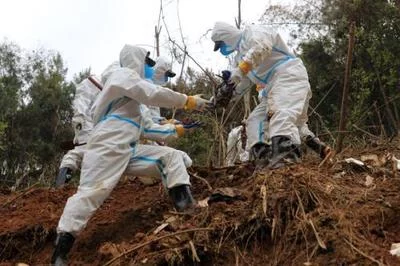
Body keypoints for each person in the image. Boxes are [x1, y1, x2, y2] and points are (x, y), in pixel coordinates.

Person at [51, 44, 210, 265]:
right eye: (147, 62)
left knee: (171, 157)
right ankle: (60, 252)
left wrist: (179, 129)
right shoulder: (122, 76)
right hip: (107, 146)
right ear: (135, 60)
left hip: (128, 148)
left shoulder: (133, 100)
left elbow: (148, 128)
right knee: (90, 195)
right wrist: (188, 100)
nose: (149, 68)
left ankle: (187, 210)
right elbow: (152, 93)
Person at [211, 21, 330, 168]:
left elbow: (261, 48)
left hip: (288, 73)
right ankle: (263, 158)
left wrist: (237, 73)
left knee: (281, 115)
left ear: (225, 35)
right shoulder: (239, 59)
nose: (223, 49)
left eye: (221, 44)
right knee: (255, 121)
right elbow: (242, 83)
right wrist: (221, 96)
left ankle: (286, 162)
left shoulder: (252, 32)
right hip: (272, 87)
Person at [55, 75, 102, 187]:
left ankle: (63, 184)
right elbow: (82, 99)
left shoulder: (109, 88)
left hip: (94, 125)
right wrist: (80, 118)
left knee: (85, 151)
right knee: (83, 151)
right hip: (86, 123)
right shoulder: (93, 83)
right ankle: (61, 185)